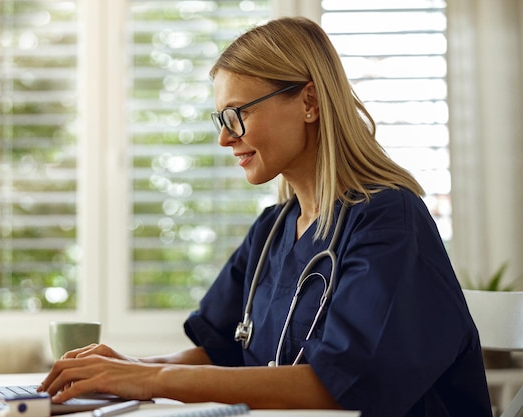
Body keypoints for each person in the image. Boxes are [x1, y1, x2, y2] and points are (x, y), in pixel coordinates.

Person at [38, 16, 492, 416]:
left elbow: (341, 386)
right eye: (221, 120)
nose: (225, 139)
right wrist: (128, 368)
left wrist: (150, 381)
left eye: (237, 114)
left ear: (309, 102)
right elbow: (219, 352)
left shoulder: (390, 220)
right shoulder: (272, 230)